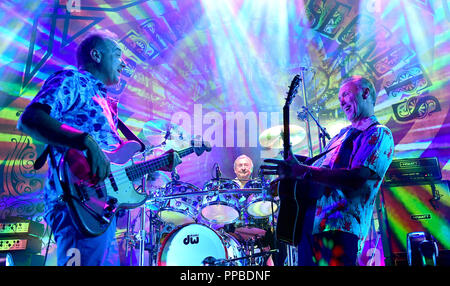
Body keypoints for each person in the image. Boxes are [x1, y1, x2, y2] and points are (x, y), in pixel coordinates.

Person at [17, 31, 181, 266]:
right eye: (116, 55)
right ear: (95, 55)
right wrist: (85, 141)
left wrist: (157, 163)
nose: (123, 63)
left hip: (101, 210)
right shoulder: (73, 80)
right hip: (76, 201)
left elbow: (115, 164)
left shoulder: (105, 102)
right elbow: (30, 119)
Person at [262, 75, 394, 266]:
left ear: (366, 93)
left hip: (341, 227)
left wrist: (301, 171)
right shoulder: (342, 135)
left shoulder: (379, 133)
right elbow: (322, 169)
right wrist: (294, 162)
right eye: (339, 98)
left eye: (346, 94)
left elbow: (356, 178)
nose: (341, 101)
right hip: (311, 225)